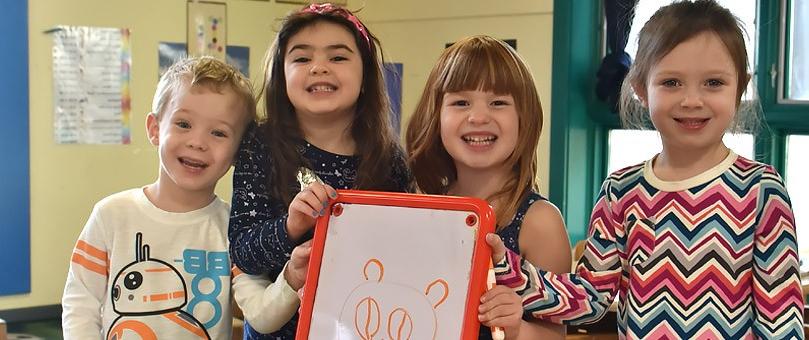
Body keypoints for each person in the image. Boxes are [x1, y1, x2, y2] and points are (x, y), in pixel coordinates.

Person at [488, 1, 804, 339]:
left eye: (713, 83)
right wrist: (508, 269)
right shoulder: (620, 190)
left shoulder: (760, 188)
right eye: (671, 82)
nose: (691, 100)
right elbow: (591, 297)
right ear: (640, 88)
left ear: (740, 86)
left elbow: (781, 317)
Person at [61, 56, 307, 339]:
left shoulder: (234, 230)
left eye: (218, 132)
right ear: (155, 129)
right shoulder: (111, 215)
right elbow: (81, 304)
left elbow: (262, 316)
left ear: (240, 152)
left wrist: (291, 278)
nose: (198, 142)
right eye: (183, 124)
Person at [227, 3, 411, 338]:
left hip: (365, 325)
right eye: (301, 58)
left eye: (338, 57)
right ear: (281, 76)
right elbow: (242, 252)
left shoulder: (389, 158)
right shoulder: (261, 144)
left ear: (366, 75)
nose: (319, 68)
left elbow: (402, 254)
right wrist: (291, 226)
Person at [405, 35, 572, 340]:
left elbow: (555, 335)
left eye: (498, 103)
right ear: (436, 116)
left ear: (525, 118)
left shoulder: (539, 222)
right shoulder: (422, 206)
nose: (478, 117)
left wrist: (517, 329)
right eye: (460, 102)